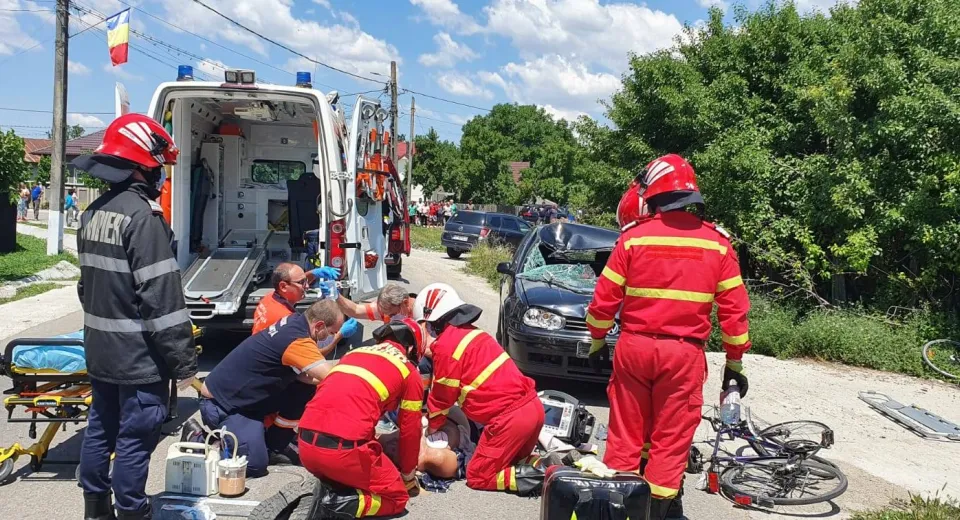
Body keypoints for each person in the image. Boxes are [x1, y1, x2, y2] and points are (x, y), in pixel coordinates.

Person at [585, 154, 751, 519]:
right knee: (670, 441)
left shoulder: (632, 239)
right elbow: (735, 314)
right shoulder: (718, 244)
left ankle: (620, 508)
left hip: (633, 349)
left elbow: (602, 303)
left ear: (655, 194)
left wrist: (597, 340)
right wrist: (734, 364)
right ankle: (659, 511)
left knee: (626, 435)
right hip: (683, 355)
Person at [71, 113, 198, 520]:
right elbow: (161, 299)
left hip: (101, 351)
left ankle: (95, 508)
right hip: (139, 357)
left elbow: (85, 287)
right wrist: (183, 363)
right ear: (143, 164)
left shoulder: (94, 213)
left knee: (100, 427)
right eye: (158, 166)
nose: (161, 175)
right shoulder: (143, 218)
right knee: (135, 435)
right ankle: (131, 510)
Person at [413, 283, 545, 496]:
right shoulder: (472, 334)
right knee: (512, 460)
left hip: (509, 421)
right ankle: (541, 465)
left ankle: (538, 478)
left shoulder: (447, 347)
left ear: (430, 322)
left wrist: (430, 429)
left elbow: (441, 399)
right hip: (533, 410)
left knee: (478, 475)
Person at [199, 299, 344, 478]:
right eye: (331, 332)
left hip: (249, 398)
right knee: (254, 465)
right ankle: (202, 440)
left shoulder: (295, 322)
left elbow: (305, 374)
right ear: (319, 325)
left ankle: (276, 443)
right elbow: (332, 376)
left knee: (304, 388)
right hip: (224, 406)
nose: (331, 336)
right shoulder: (296, 339)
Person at [298, 318, 425, 518]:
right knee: (396, 498)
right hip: (343, 454)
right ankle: (336, 504)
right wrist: (408, 476)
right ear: (410, 350)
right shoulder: (407, 371)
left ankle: (333, 487)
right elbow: (410, 430)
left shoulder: (353, 353)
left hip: (305, 447)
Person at [336, 282, 415, 325]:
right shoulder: (386, 308)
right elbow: (355, 310)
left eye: (392, 315)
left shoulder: (423, 314)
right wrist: (336, 296)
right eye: (386, 314)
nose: (391, 318)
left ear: (405, 302)